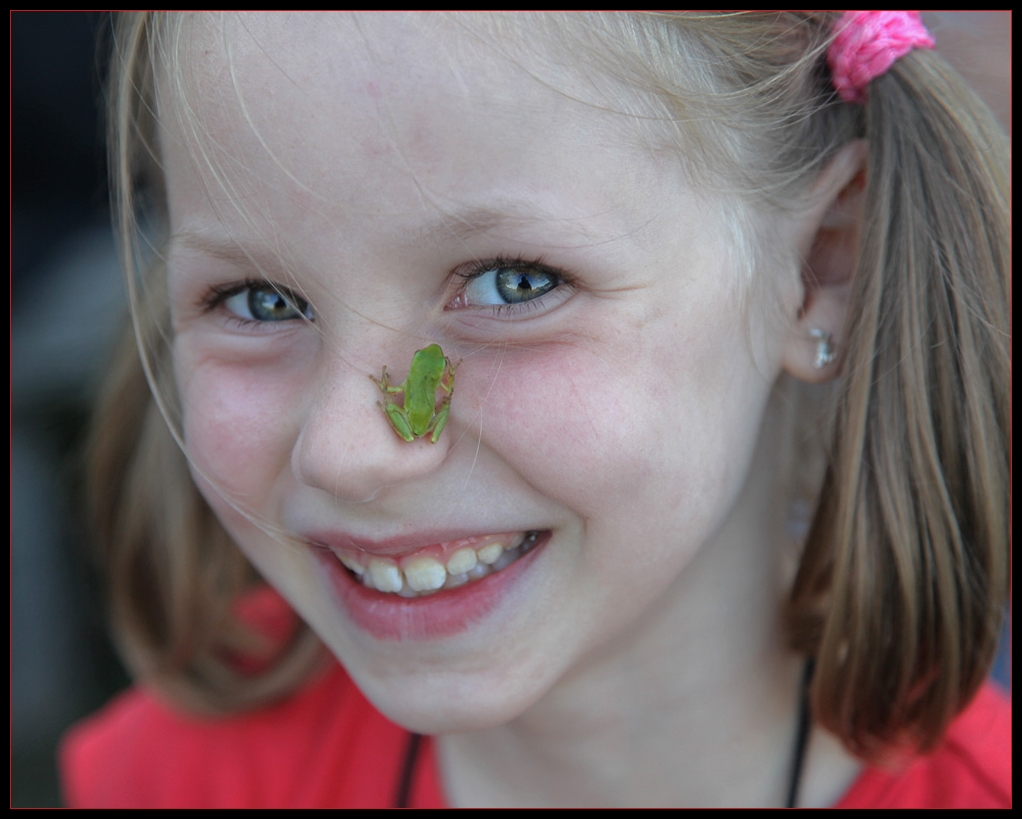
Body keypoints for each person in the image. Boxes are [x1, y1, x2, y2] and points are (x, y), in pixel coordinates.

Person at [60, 12, 1010, 808]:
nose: (351, 453)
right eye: (262, 300)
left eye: (515, 284)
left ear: (817, 271)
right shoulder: (167, 780)